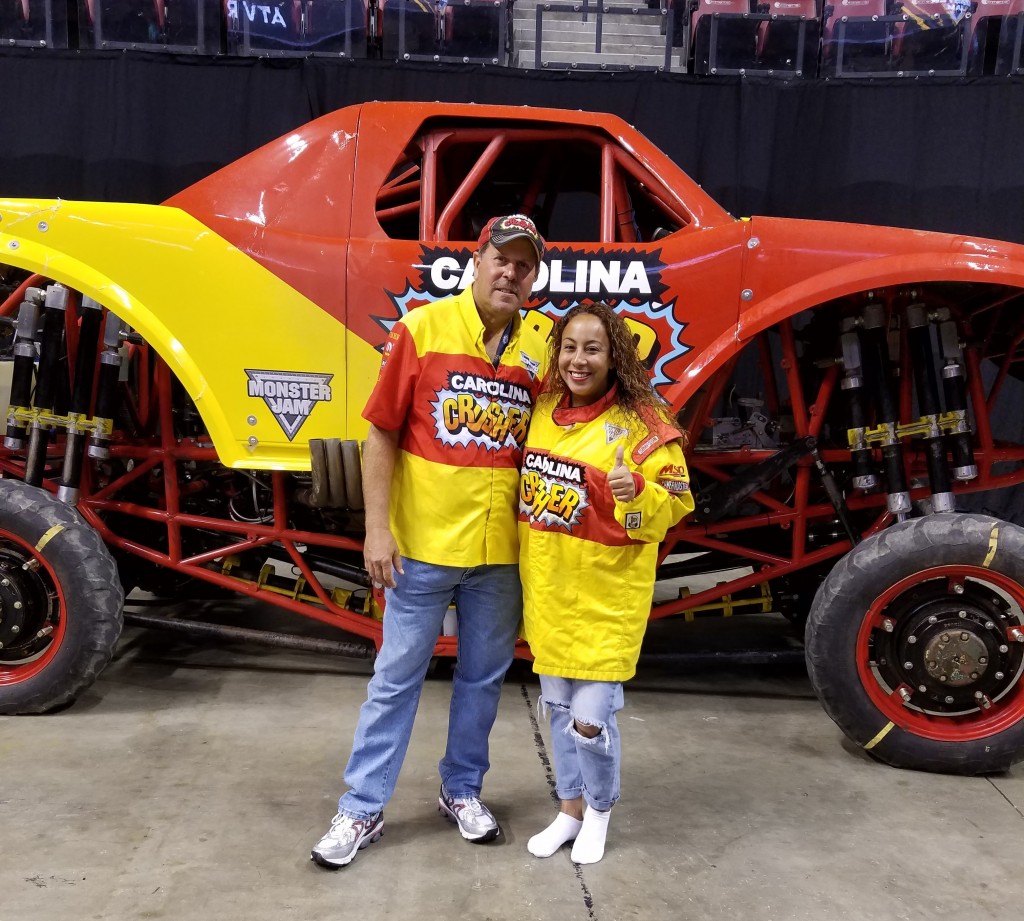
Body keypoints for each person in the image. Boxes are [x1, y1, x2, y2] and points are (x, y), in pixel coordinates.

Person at [311, 214, 548, 869]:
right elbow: (381, 433)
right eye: (501, 258)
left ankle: (461, 789)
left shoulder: (544, 346)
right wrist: (377, 529)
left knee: (482, 681)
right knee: (395, 680)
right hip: (420, 549)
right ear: (477, 260)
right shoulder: (422, 328)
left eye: (524, 265)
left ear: (535, 277)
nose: (511, 272)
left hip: (500, 556)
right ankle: (361, 807)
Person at [518, 301, 694, 865]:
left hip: (606, 605)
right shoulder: (542, 410)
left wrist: (634, 496)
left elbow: (672, 511)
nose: (578, 359)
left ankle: (598, 810)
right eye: (569, 346)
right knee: (556, 713)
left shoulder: (647, 427)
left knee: (590, 724)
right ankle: (569, 810)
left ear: (615, 356)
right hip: (547, 595)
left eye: (592, 348)